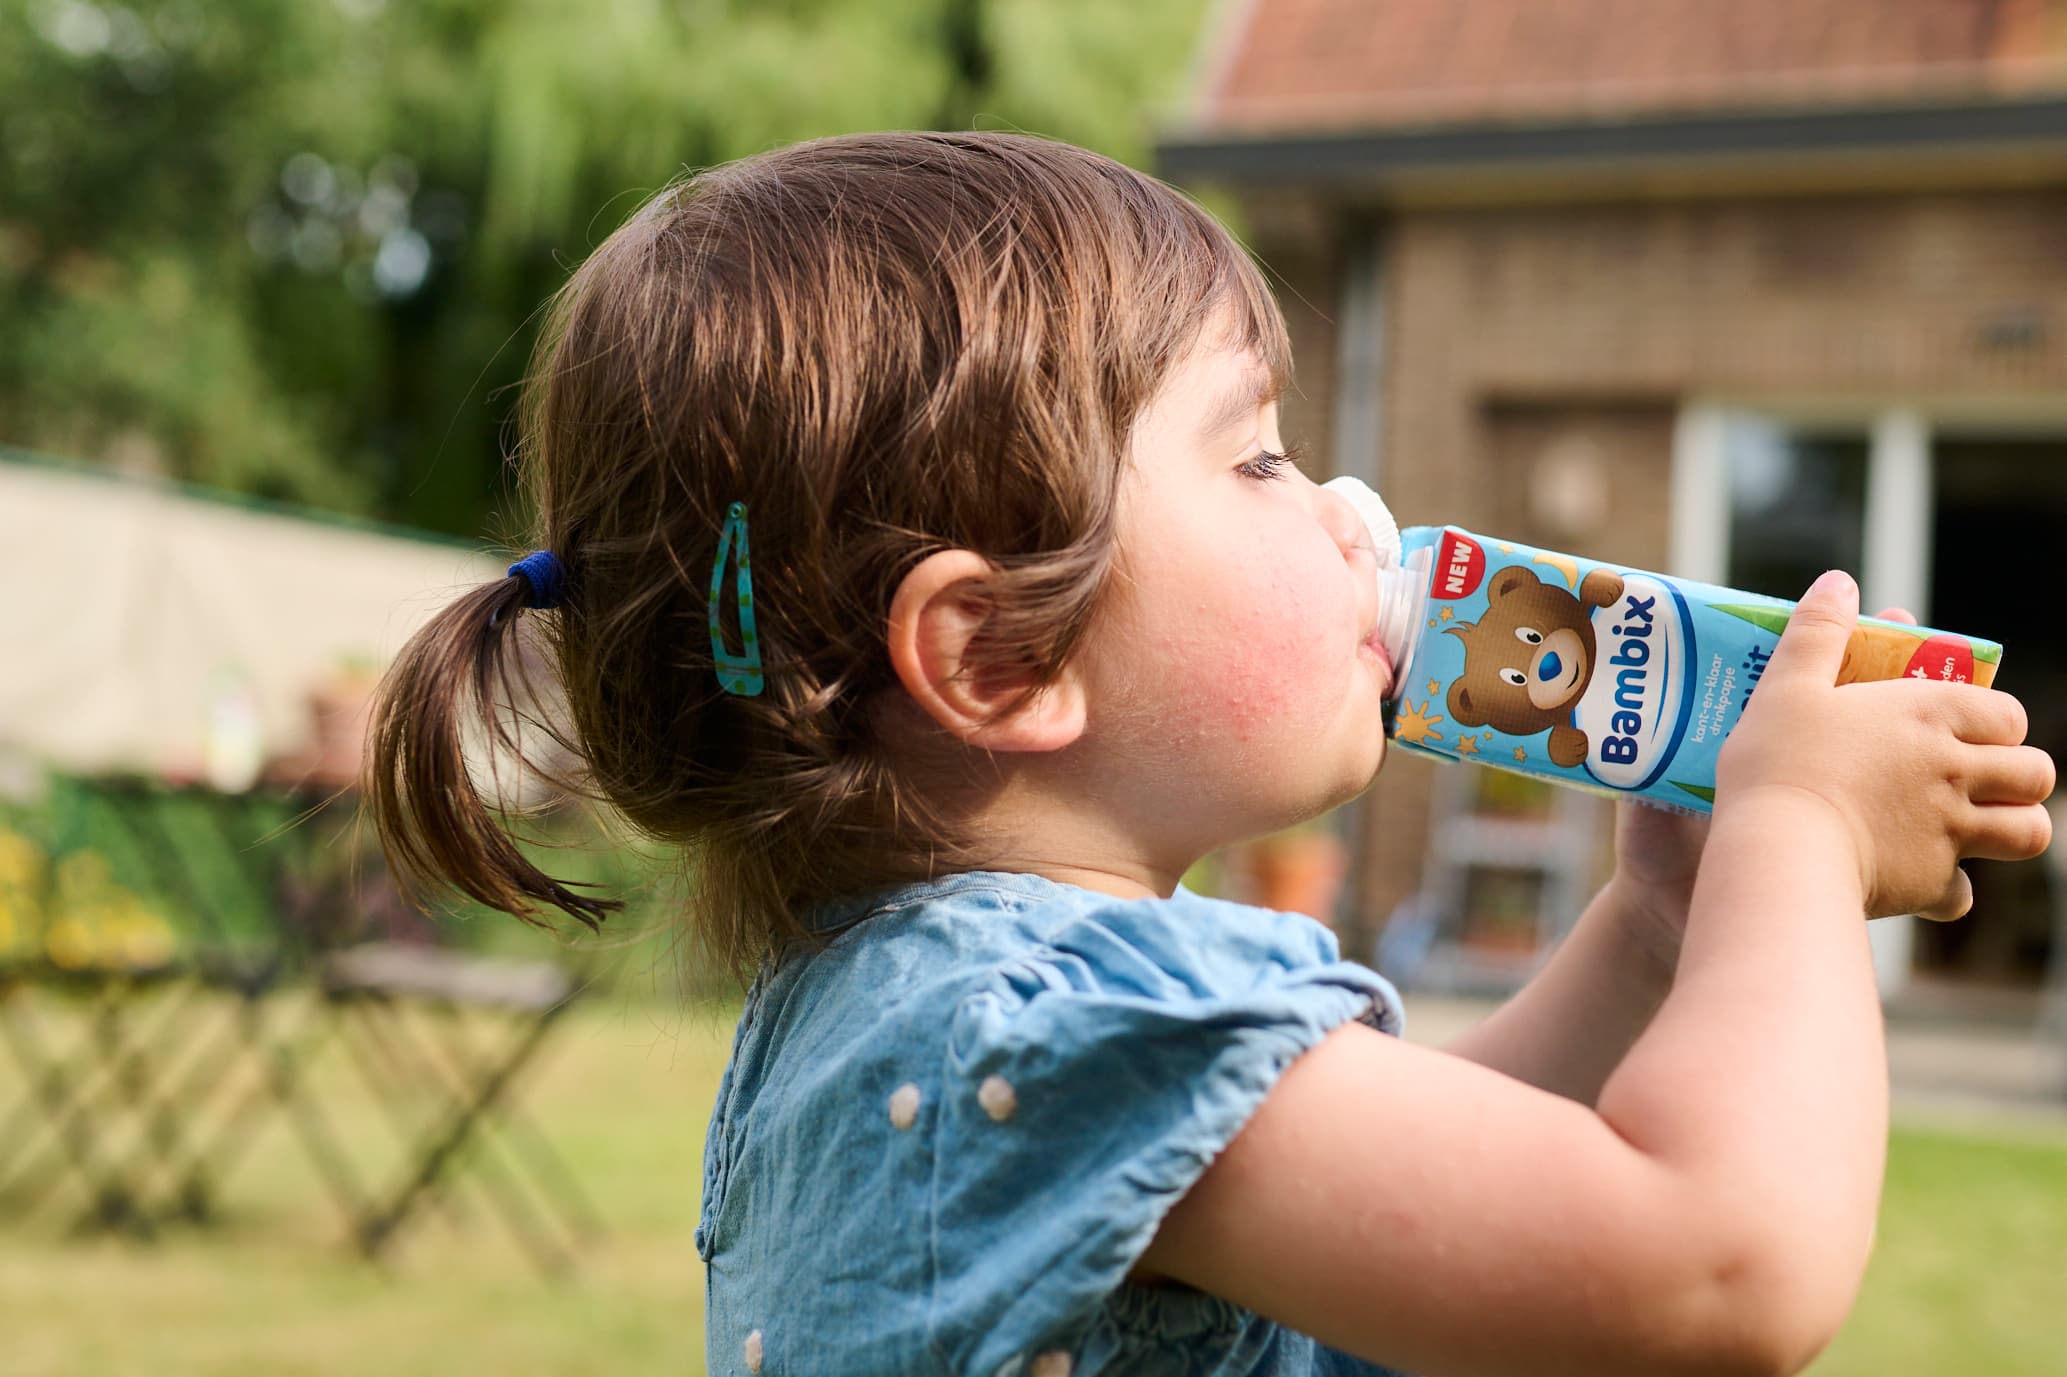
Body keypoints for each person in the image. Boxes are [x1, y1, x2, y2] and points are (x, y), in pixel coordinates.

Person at [363, 132, 2055, 1377]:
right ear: (996, 653)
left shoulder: (938, 1007)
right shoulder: (1031, 1020)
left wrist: (1662, 930)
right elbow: (1720, 1266)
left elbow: (1419, 1167)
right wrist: (1796, 848)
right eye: (1252, 460)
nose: (1348, 513)